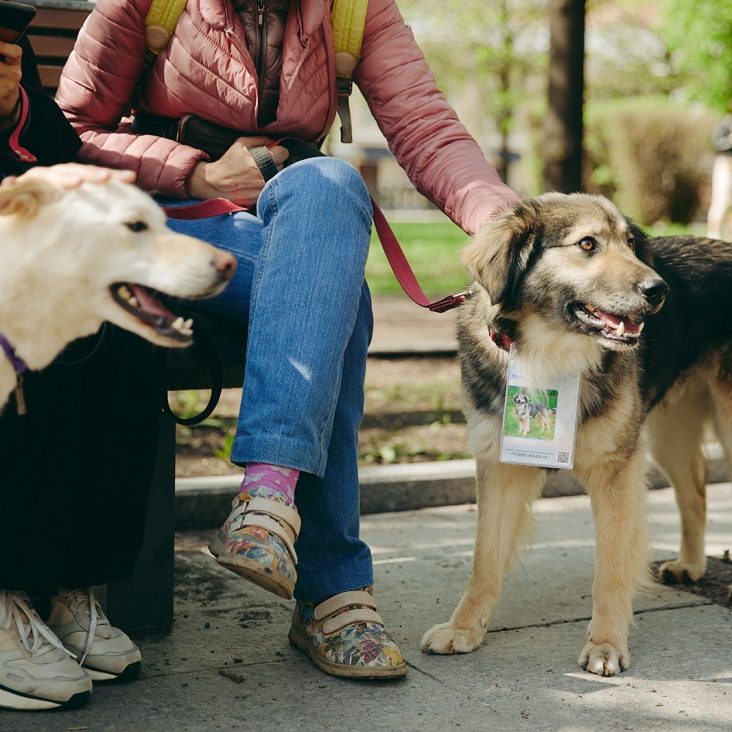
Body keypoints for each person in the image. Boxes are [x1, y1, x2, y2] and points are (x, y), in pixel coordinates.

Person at [56, 0, 520, 679]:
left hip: (296, 222)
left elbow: (428, 129)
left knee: (331, 181)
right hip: (164, 219)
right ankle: (332, 592)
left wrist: (516, 230)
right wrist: (197, 174)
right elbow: (70, 129)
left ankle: (269, 503)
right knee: (345, 305)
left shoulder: (356, 10)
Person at [0, 35, 162, 711]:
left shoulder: (37, 119)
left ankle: (70, 586)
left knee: (123, 336)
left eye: (4, 61)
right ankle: (7, 600)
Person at [707, 101, 732, 239]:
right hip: (725, 165)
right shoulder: (725, 125)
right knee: (720, 201)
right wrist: (729, 141)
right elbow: (716, 144)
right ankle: (713, 236)